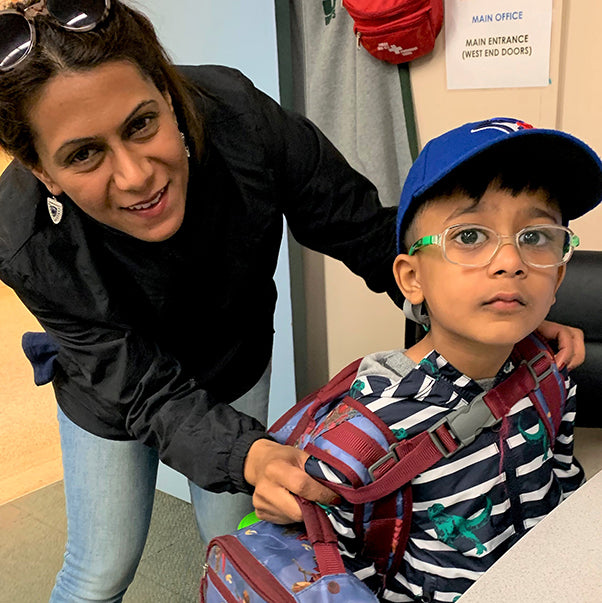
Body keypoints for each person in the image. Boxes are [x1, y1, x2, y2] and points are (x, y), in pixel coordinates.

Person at [0, 0, 585, 598]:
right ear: (43, 172)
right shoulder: (22, 240)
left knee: (249, 538)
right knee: (101, 567)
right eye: (83, 155)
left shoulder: (240, 118)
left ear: (170, 98)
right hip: (119, 388)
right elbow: (141, 387)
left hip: (233, 355)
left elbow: (356, 225)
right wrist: (246, 454)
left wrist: (506, 304)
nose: (134, 176)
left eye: (142, 124)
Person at [303, 117, 602, 602]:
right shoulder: (366, 435)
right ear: (411, 278)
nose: (510, 261)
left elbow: (561, 490)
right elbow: (334, 577)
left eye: (536, 236)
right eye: (469, 236)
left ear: (559, 277)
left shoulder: (550, 376)